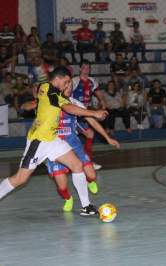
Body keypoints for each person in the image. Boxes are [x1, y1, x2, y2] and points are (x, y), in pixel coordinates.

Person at [0, 67, 109, 225]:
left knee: (77, 165)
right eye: (66, 82)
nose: (68, 85)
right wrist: (93, 113)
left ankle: (86, 206)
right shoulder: (49, 89)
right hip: (39, 141)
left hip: (52, 139)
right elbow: (68, 107)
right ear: (59, 79)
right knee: (20, 178)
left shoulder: (50, 90)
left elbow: (64, 105)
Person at [44, 81, 120, 212]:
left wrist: (107, 138)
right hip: (55, 147)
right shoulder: (49, 103)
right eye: (66, 86)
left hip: (73, 144)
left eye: (70, 86)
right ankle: (68, 198)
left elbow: (92, 121)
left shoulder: (75, 104)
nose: (68, 88)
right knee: (62, 187)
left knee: (91, 175)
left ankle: (89, 184)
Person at [72, 60, 104, 169]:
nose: (86, 69)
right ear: (80, 68)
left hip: (85, 113)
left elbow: (98, 92)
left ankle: (86, 161)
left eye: (88, 67)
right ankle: (88, 162)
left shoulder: (92, 81)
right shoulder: (75, 81)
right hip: (75, 114)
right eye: (84, 67)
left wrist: (103, 102)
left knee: (80, 137)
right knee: (89, 134)